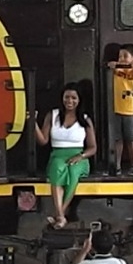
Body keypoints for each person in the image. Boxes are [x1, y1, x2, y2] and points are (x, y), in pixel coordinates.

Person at [33, 83, 97, 229]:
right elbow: (43, 140)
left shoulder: (85, 119)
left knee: (73, 171)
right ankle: (61, 215)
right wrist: (32, 123)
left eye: (74, 98)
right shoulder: (52, 115)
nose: (70, 101)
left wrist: (81, 156)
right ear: (62, 98)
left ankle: (59, 216)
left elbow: (93, 148)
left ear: (79, 100)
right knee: (57, 168)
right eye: (67, 97)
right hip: (58, 155)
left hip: (79, 157)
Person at [107, 44, 133, 176]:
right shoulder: (117, 70)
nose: (121, 59)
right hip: (117, 109)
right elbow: (111, 65)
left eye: (125, 56)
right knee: (118, 139)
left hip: (131, 111)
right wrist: (114, 64)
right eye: (120, 56)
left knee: (132, 139)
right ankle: (117, 166)